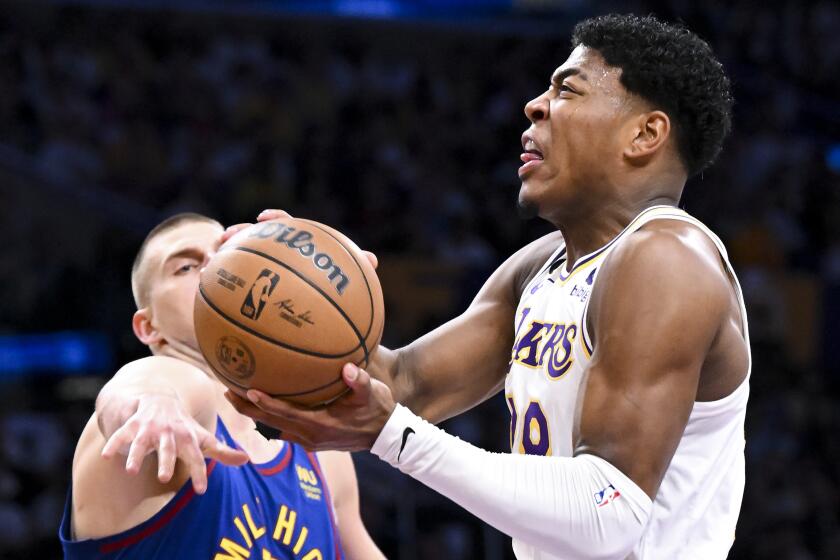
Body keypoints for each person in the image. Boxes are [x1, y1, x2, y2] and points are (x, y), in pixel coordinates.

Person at [229, 14, 745, 559]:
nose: (535, 106)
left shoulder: (668, 260)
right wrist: (289, 285)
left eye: (567, 89)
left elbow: (608, 509)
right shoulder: (541, 267)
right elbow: (404, 383)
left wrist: (395, 437)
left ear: (645, 134)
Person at [59, 213, 385, 560]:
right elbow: (138, 386)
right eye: (185, 267)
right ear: (148, 327)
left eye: (228, 253)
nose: (215, 268)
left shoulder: (322, 454)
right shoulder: (164, 399)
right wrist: (151, 403)